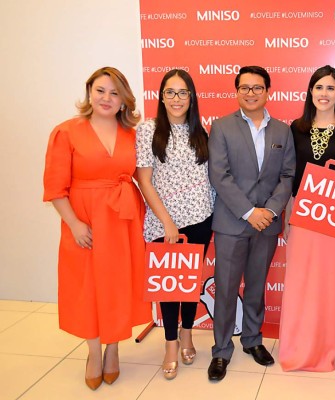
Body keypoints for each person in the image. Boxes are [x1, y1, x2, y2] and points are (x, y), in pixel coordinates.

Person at [43, 67, 151, 390]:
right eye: (101, 90)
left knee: (118, 283)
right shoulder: (66, 132)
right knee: (87, 285)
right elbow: (54, 187)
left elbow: (143, 178)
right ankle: (93, 351)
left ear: (124, 101)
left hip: (123, 220)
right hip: (84, 221)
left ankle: (114, 348)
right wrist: (74, 223)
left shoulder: (134, 134)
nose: (107, 98)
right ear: (89, 92)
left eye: (115, 93)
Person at [207, 65, 296, 381]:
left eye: (257, 87)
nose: (251, 92)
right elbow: (219, 175)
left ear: (267, 91)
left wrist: (269, 211)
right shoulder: (220, 127)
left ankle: (252, 340)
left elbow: (287, 176)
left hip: (267, 224)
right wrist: (249, 212)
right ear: (237, 91)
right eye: (244, 87)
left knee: (257, 287)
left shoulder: (282, 131)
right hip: (232, 222)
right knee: (227, 289)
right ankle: (220, 351)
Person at [278, 65, 335, 372]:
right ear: (310, 92)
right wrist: (286, 212)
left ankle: (324, 351)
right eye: (318, 87)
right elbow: (289, 174)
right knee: (300, 283)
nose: (324, 94)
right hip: (303, 214)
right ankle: (295, 348)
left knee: (328, 285)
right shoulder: (296, 128)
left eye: (330, 88)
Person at [135, 69, 214, 380]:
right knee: (169, 288)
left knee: (189, 285)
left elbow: (206, 179)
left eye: (183, 92)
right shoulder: (148, 130)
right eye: (170, 92)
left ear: (191, 97)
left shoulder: (201, 132)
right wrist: (168, 223)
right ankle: (170, 345)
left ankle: (187, 334)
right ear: (162, 96)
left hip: (200, 219)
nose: (177, 98)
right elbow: (144, 180)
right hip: (163, 224)